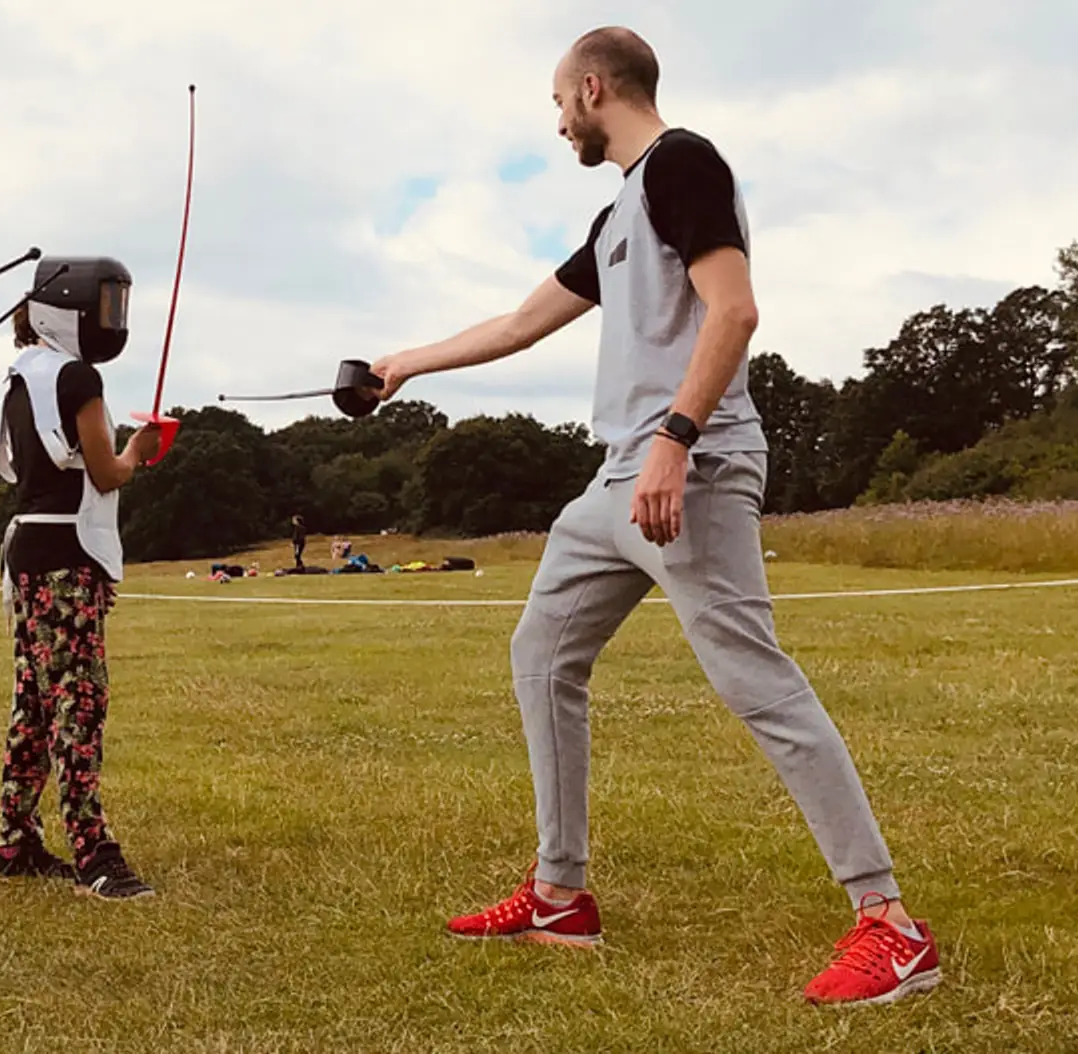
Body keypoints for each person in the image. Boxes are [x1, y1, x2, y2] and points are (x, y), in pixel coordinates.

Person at [371, 26, 939, 1007]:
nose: (558, 124)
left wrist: (676, 439)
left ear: (593, 89)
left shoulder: (683, 165)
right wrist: (403, 366)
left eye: (559, 103)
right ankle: (559, 895)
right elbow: (521, 323)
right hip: (616, 481)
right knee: (541, 653)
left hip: (692, 465)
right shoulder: (619, 214)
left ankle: (889, 925)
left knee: (754, 678)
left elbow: (734, 310)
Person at [0, 256, 167, 899]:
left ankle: (15, 842)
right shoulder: (78, 377)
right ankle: (94, 852)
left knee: (35, 704)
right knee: (79, 702)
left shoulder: (22, 377)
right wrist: (139, 450)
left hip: (31, 549)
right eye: (105, 305)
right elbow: (106, 472)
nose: (109, 319)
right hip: (65, 552)